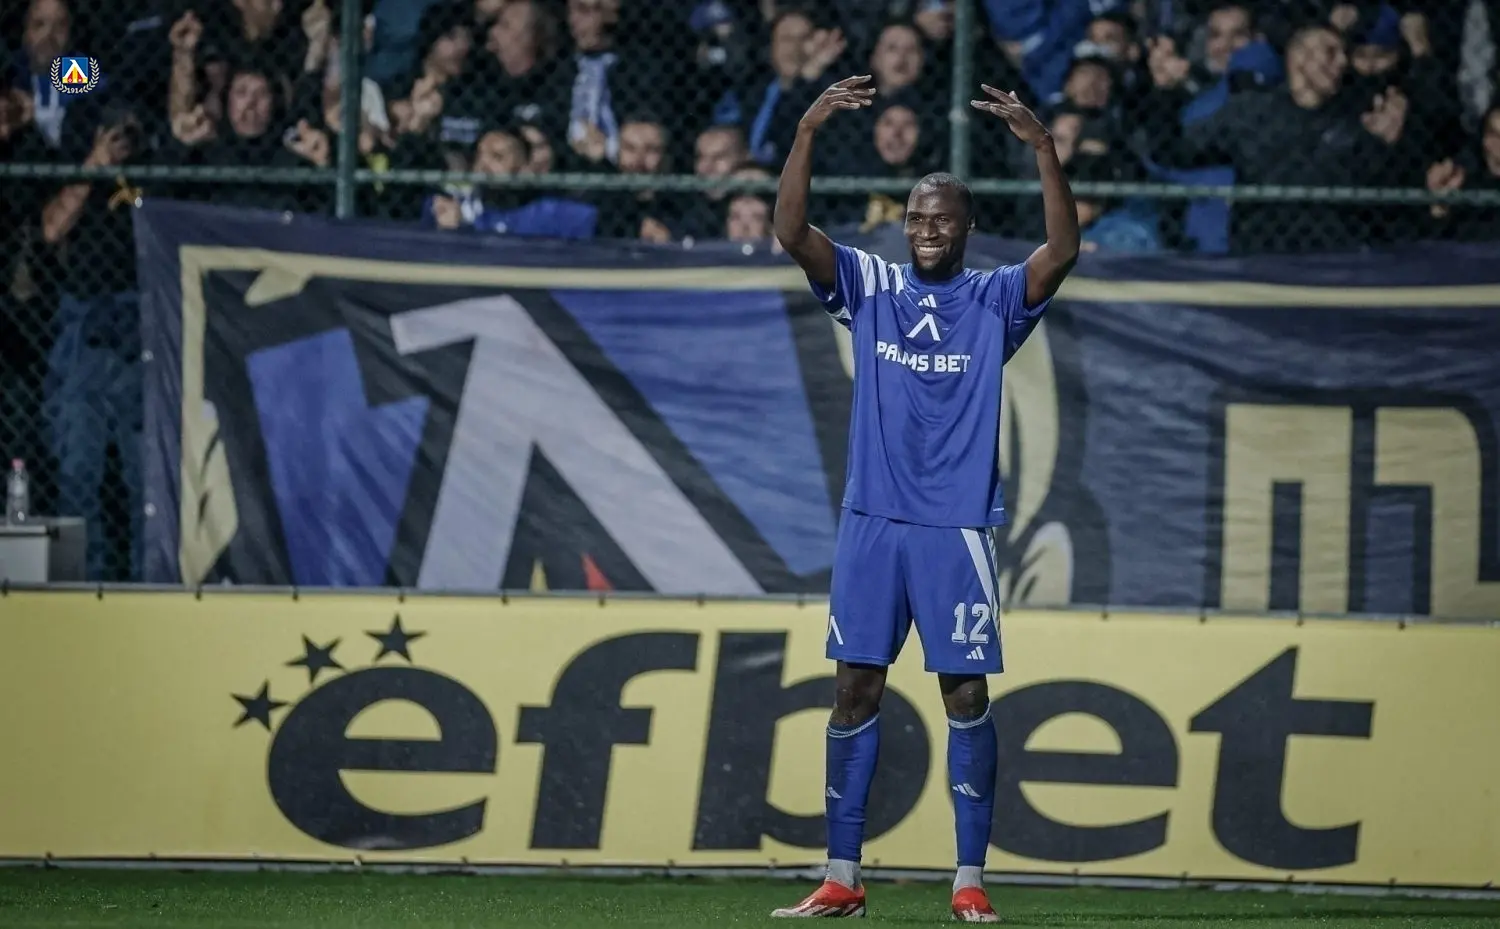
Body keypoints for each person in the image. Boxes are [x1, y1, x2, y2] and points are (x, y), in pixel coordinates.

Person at [769, 74, 1079, 923]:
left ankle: (969, 879)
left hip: (955, 529)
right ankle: (842, 876)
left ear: (966, 229)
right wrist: (807, 130)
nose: (926, 229)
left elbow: (1062, 251)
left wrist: (1044, 147)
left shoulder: (994, 300)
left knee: (965, 696)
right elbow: (790, 232)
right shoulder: (870, 285)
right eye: (915, 217)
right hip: (872, 522)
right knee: (854, 691)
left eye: (941, 219)